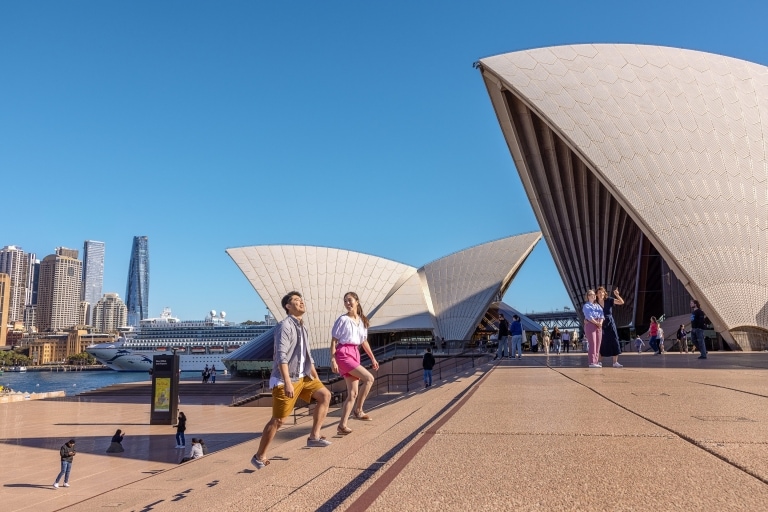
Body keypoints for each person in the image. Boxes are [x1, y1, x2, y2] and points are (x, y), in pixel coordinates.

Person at [251, 291, 332, 470]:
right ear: (288, 306)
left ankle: (314, 437)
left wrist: (316, 377)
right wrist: (287, 382)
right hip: (286, 378)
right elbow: (281, 355)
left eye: (301, 299)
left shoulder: (303, 327)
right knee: (278, 420)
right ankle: (259, 456)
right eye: (296, 300)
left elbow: (306, 355)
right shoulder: (284, 326)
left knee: (325, 395)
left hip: (304, 376)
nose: (301, 302)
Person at [330, 292, 379, 436]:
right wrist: (333, 359)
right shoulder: (343, 319)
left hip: (355, 354)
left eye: (350, 300)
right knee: (369, 378)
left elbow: (364, 341)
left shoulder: (362, 321)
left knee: (352, 393)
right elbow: (334, 340)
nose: (347, 303)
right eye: (345, 301)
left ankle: (342, 425)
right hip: (343, 353)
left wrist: (373, 358)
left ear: (357, 301)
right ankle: (358, 410)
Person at [597, 287, 626, 368]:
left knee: (614, 340)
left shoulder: (609, 300)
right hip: (600, 324)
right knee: (601, 342)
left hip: (610, 323)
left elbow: (621, 302)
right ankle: (599, 362)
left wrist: (617, 295)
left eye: (602, 292)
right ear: (596, 294)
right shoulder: (595, 303)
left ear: (604, 293)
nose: (601, 294)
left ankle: (615, 362)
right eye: (599, 292)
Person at [582, 290, 604, 368]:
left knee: (598, 344)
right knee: (593, 343)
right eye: (591, 294)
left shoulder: (598, 306)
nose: (594, 296)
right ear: (588, 296)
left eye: (594, 294)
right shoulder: (586, 306)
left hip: (599, 324)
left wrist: (600, 323)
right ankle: (592, 362)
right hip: (591, 324)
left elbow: (602, 315)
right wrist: (596, 323)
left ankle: (596, 361)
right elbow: (589, 316)